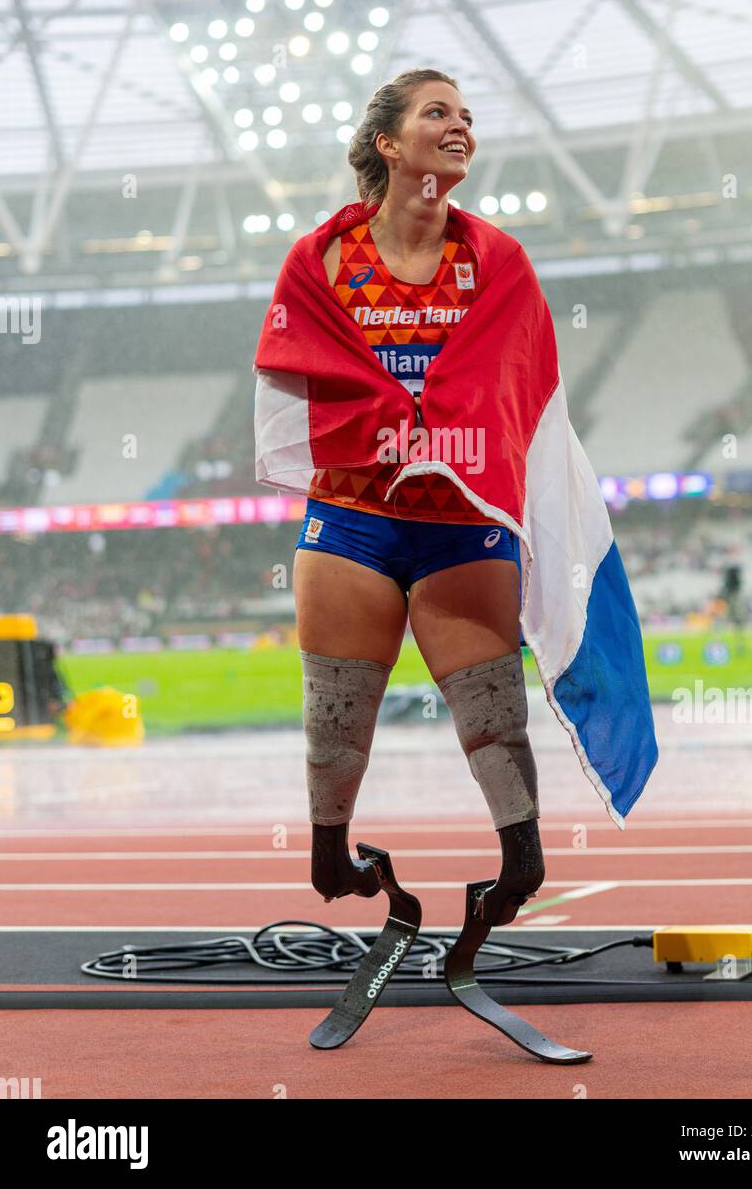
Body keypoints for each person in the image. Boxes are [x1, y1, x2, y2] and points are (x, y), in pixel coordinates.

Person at [291, 68, 543, 923]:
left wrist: (445, 433)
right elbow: (297, 378)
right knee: (335, 719)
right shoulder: (324, 256)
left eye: (468, 115)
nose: (460, 125)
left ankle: (519, 869)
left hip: (460, 523)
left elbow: (524, 386)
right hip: (353, 517)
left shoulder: (494, 258)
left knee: (495, 721)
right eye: (439, 113)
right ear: (391, 145)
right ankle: (335, 858)